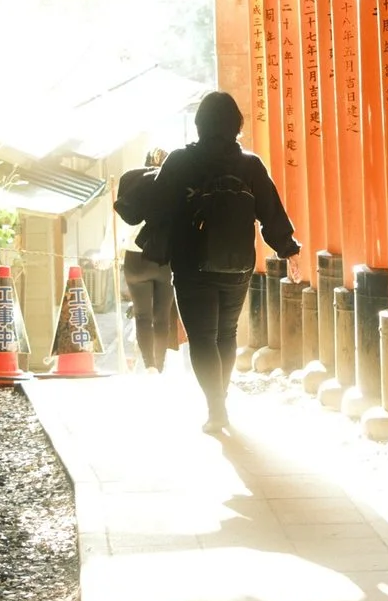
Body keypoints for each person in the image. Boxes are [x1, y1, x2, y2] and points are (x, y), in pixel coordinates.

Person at [138, 91, 296, 433]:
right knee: (226, 333)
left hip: (191, 264)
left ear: (199, 125)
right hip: (238, 265)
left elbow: (156, 209)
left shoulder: (179, 161)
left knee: (202, 338)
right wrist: (289, 249)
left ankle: (216, 408)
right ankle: (220, 399)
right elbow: (270, 211)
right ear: (236, 125)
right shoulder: (250, 165)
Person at [112, 148, 176, 371]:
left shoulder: (132, 187)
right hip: (163, 259)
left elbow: (119, 229)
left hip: (135, 260)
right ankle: (159, 365)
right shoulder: (172, 187)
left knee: (142, 315)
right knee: (162, 317)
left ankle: (148, 365)